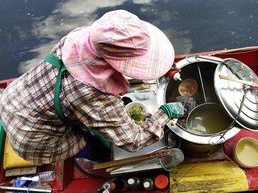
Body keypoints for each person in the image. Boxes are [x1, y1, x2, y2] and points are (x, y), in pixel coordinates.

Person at [0, 10, 184, 164]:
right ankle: (100, 158)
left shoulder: (82, 38)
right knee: (87, 143)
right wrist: (164, 114)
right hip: (32, 138)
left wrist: (161, 68)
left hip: (15, 97)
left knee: (83, 118)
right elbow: (133, 140)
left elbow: (113, 61)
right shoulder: (91, 94)